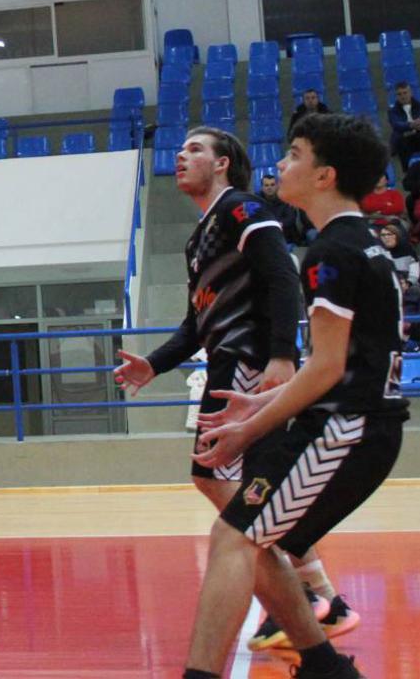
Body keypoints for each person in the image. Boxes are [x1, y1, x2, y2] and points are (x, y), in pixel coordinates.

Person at [182, 113, 407, 679]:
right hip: (351, 425)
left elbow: (328, 368)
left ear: (325, 176)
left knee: (234, 537)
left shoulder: (330, 252)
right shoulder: (361, 244)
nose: (281, 164)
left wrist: (249, 427)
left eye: (295, 154)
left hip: (346, 430)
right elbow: (336, 361)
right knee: (246, 537)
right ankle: (324, 665)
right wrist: (258, 406)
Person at [113, 127, 356, 651]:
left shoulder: (242, 209)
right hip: (228, 360)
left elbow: (283, 277)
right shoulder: (198, 237)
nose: (181, 156)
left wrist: (282, 355)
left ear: (223, 163)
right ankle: (318, 595)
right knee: (237, 486)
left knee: (224, 483)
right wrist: (153, 365)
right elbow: (194, 323)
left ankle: (305, 594)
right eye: (181, 149)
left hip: (250, 363)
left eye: (195, 149)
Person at [258, 168, 308, 246]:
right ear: (262, 187)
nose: (269, 188)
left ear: (277, 186)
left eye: (272, 185)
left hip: (285, 235)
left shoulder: (286, 198)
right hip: (266, 234)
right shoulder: (256, 201)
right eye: (266, 185)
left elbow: (290, 218)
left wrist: (276, 224)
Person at [389, 80, 420, 168]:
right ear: (396, 96)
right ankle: (407, 170)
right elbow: (396, 124)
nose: (403, 96)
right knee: (401, 141)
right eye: (399, 94)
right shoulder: (392, 111)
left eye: (405, 93)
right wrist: (411, 125)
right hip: (404, 139)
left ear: (410, 93)